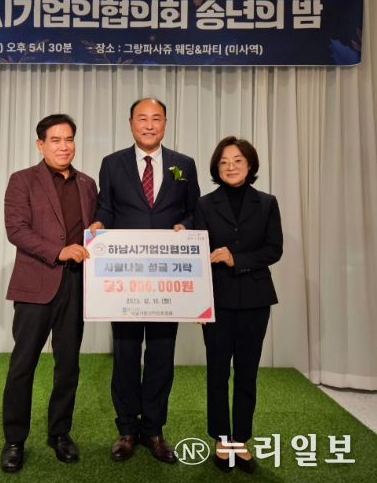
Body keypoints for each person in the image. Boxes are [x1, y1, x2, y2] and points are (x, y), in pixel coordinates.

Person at [89, 98, 200, 464]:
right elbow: (106, 207)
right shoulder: (112, 163)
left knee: (161, 355)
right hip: (126, 279)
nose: (149, 125)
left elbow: (193, 211)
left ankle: (153, 430)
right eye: (142, 118)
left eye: (156, 118)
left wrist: (186, 226)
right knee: (124, 354)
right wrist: (99, 224)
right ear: (131, 123)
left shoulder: (184, 165)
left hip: (166, 279)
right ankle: (126, 429)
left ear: (165, 123)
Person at [0, 114, 97, 473]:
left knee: (68, 365)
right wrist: (59, 251)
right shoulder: (22, 180)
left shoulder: (87, 183)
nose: (64, 146)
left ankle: (60, 433)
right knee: (23, 365)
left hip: (76, 285)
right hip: (35, 285)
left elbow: (94, 227)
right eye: (55, 140)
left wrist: (99, 228)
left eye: (69, 139)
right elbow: (16, 229)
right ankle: (14, 440)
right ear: (40, 145)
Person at [194, 136, 283, 474]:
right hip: (216, 301)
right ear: (216, 168)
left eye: (237, 161)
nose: (230, 167)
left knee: (247, 373)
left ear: (250, 165)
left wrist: (236, 259)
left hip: (256, 300)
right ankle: (221, 440)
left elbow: (274, 249)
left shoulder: (268, 203)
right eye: (224, 162)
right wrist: (197, 303)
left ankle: (241, 440)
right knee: (217, 373)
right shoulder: (204, 205)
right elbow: (197, 256)